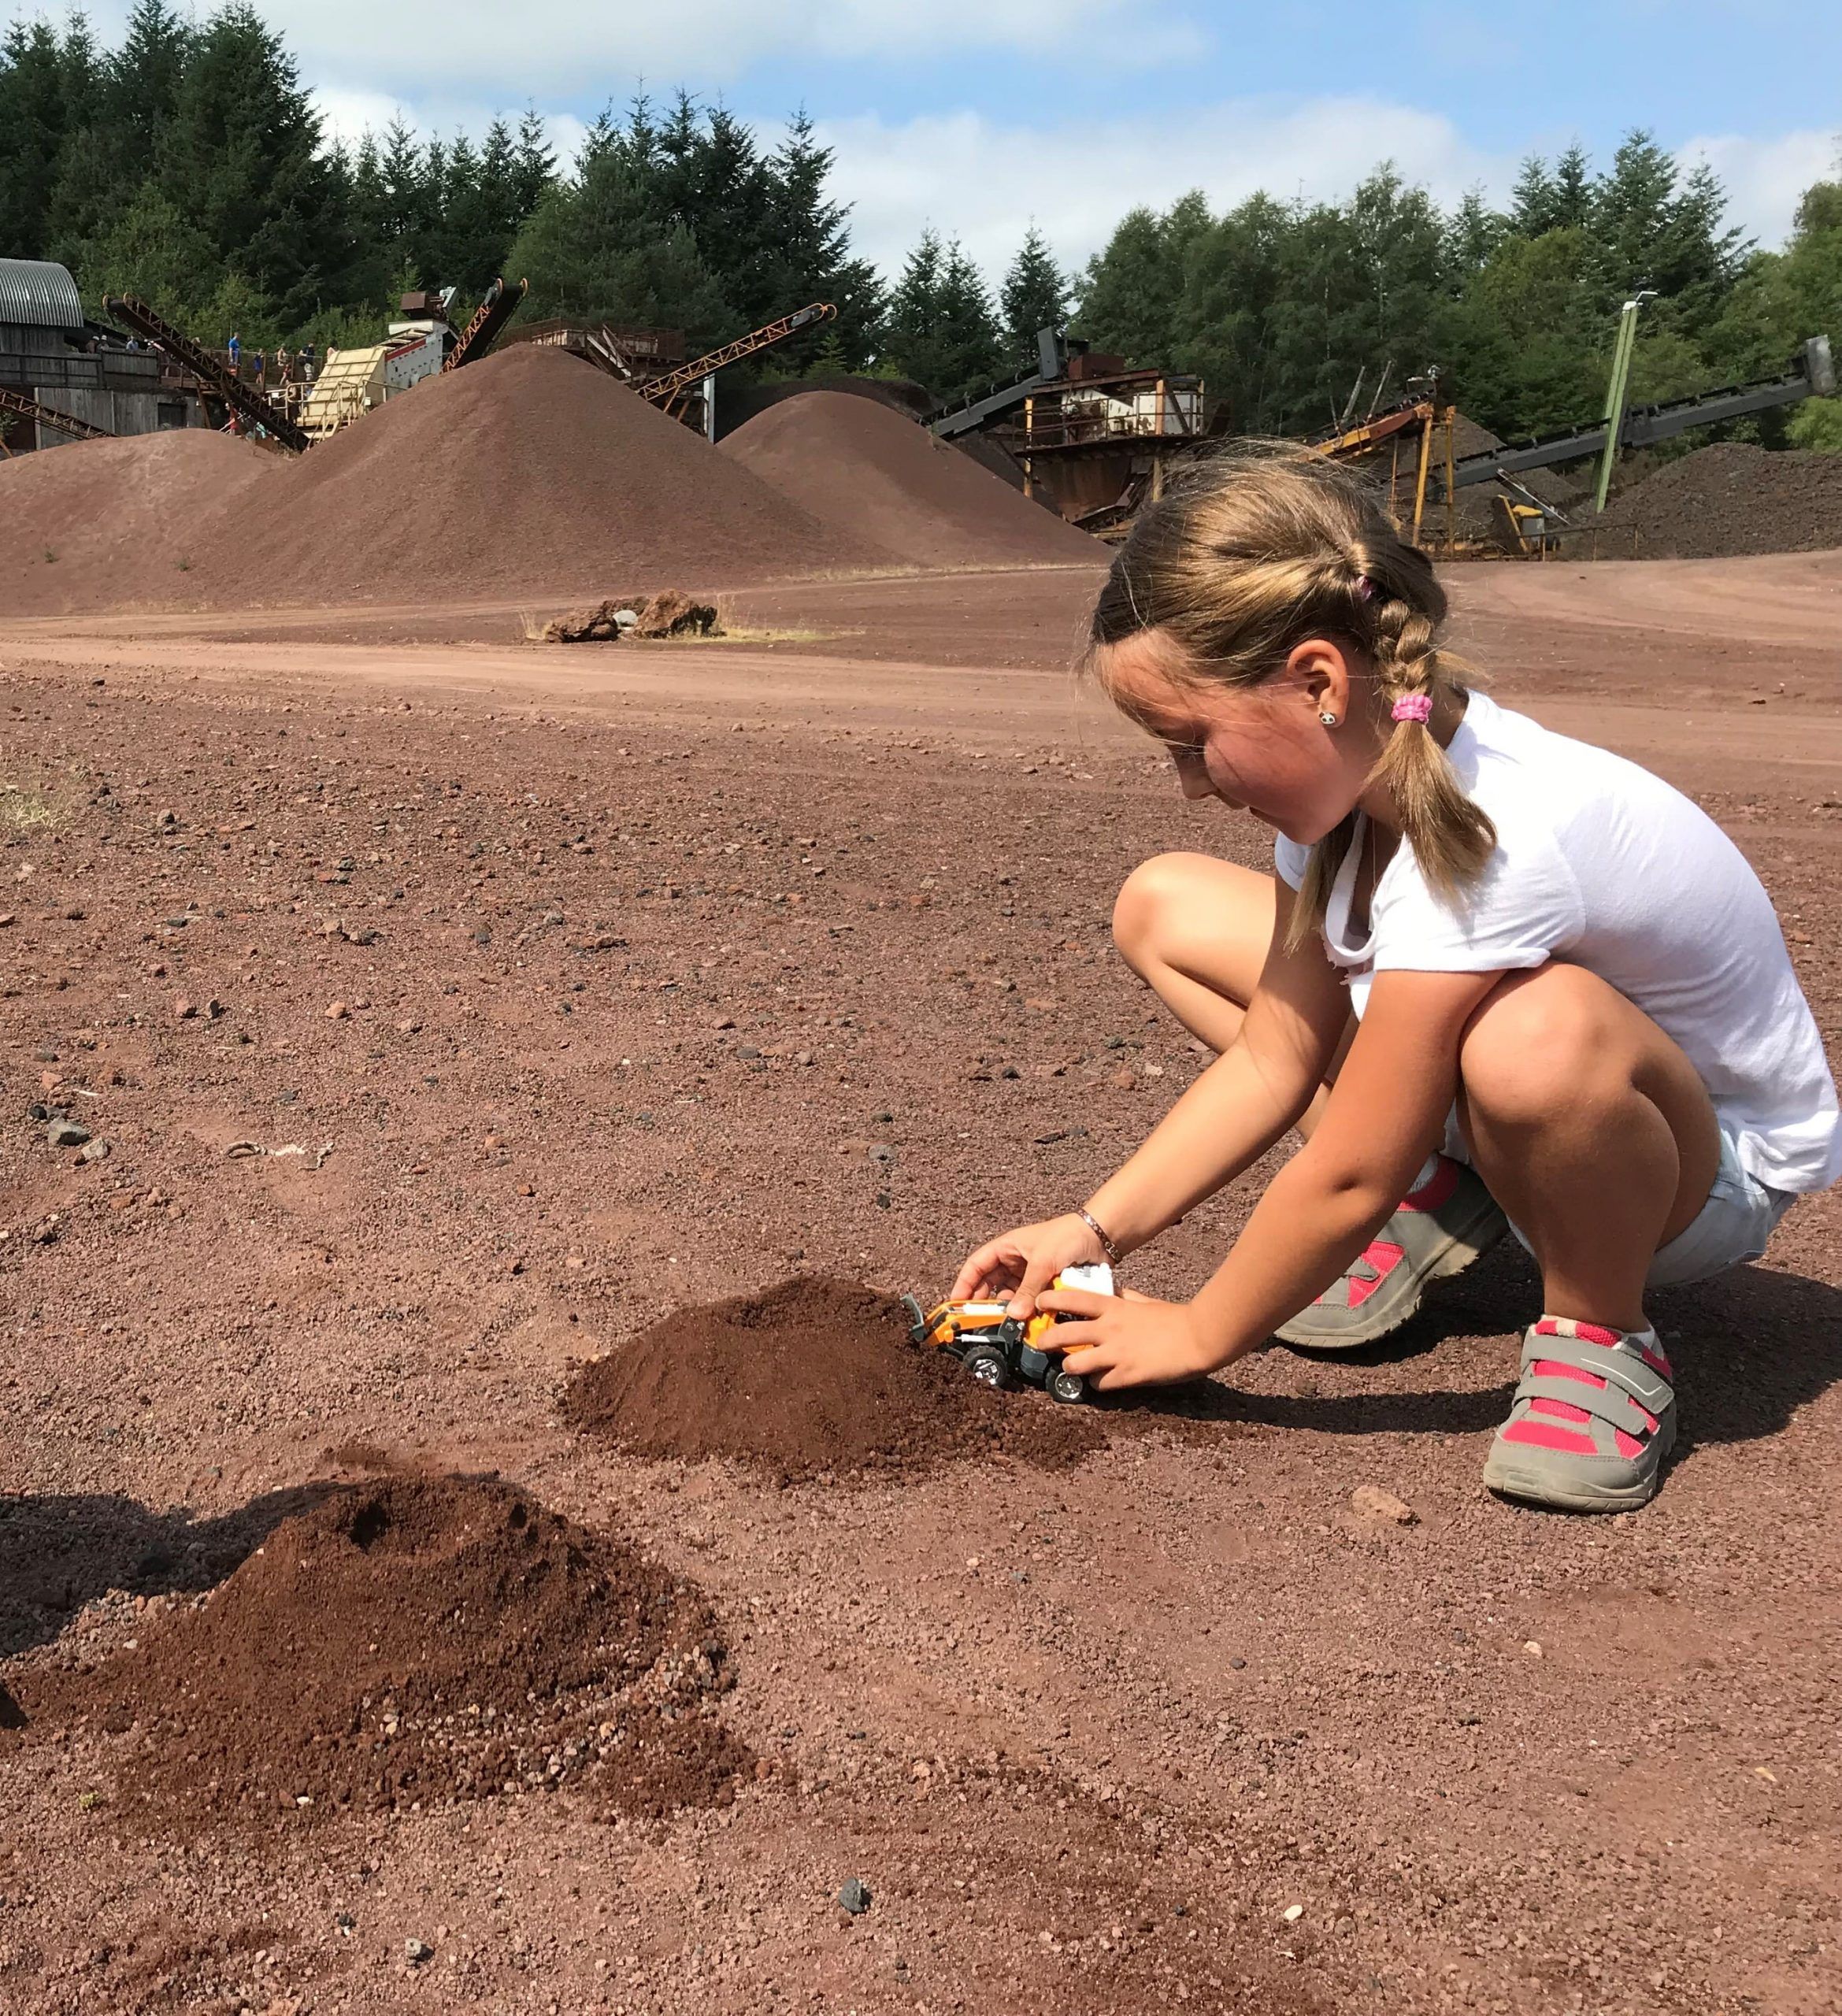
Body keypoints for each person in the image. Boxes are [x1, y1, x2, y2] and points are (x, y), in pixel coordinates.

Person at [954, 443, 1840, 1513]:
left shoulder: (1493, 838)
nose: (1190, 788)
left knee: (1532, 1035)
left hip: (1692, 1178)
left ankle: (1600, 1330)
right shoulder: (1344, 805)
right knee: (1167, 904)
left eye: (1193, 745)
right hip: (1518, 1107)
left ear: (1319, 680)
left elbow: (1347, 1170)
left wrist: (1199, 1328)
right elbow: (1278, 1053)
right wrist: (1090, 1229)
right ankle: (1457, 1187)